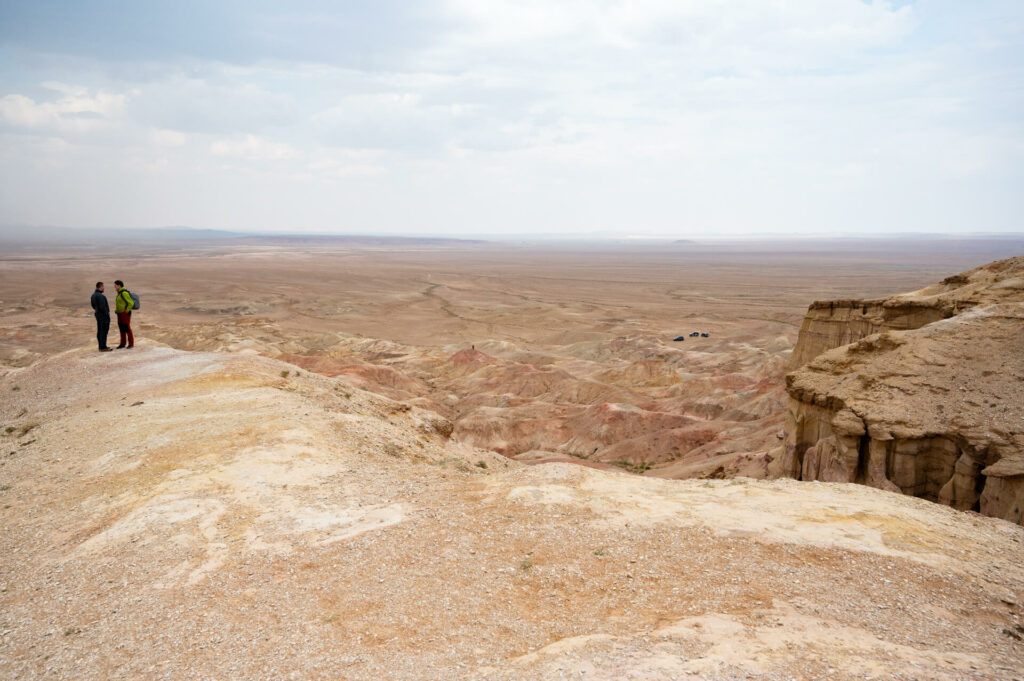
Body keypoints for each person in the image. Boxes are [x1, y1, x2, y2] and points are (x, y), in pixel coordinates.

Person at [90, 282, 112, 352]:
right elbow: (103, 307)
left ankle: (101, 346)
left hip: (98, 315)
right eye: (103, 287)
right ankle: (103, 347)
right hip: (103, 316)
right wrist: (106, 314)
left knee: (100, 331)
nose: (104, 288)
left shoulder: (93, 295)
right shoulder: (101, 296)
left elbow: (93, 306)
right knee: (104, 331)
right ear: (100, 287)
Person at [114, 279, 135, 349]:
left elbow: (131, 303)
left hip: (124, 314)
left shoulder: (124, 293)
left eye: (115, 286)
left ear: (119, 286)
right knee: (121, 328)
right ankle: (122, 343)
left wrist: (126, 311)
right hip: (119, 314)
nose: (114, 287)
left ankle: (131, 344)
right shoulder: (119, 293)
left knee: (127, 328)